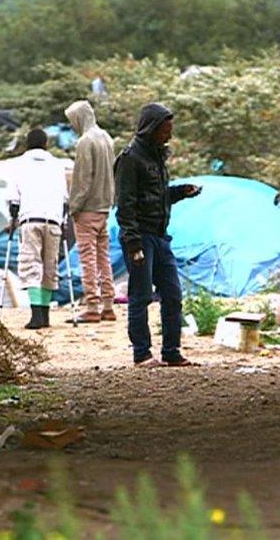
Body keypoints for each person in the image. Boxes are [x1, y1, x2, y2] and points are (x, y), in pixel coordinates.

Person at [115, 103, 202, 367]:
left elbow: (158, 196)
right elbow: (125, 204)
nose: (169, 136)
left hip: (160, 236)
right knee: (140, 296)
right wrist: (133, 243)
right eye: (165, 130)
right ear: (151, 129)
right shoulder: (130, 159)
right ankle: (142, 353)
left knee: (173, 295)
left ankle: (171, 351)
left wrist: (179, 192)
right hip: (140, 237)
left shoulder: (157, 158)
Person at [6, 128, 69, 330]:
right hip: (53, 220)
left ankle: (36, 316)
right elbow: (65, 198)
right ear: (46, 144)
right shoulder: (57, 165)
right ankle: (45, 314)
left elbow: (14, 199)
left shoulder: (18, 164)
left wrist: (13, 218)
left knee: (31, 264)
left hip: (30, 220)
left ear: (27, 144)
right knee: (49, 266)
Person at [65, 100, 117, 323]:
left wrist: (74, 206)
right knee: (103, 257)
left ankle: (92, 306)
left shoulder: (86, 142)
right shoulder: (106, 137)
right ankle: (108, 305)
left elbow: (83, 180)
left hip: (87, 208)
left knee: (87, 258)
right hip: (104, 207)